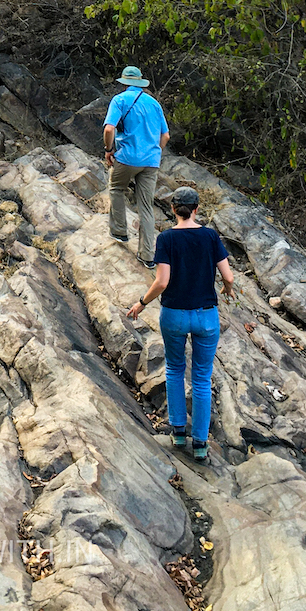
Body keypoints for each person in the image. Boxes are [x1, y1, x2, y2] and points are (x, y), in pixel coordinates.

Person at [127, 186, 234, 461]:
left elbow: (162, 281)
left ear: (173, 209)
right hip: (206, 315)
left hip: (174, 314)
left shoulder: (166, 239)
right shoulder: (210, 236)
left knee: (175, 369)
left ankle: (177, 432)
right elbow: (228, 277)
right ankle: (200, 443)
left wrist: (141, 302)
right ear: (197, 208)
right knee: (201, 377)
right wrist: (228, 289)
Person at [103, 65, 169, 266]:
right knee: (146, 207)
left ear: (124, 82)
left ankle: (120, 231)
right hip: (151, 161)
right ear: (140, 82)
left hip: (127, 157)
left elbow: (109, 129)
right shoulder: (154, 104)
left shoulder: (120, 100)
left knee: (116, 188)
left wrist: (109, 149)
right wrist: (154, 152)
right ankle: (148, 256)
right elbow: (165, 135)